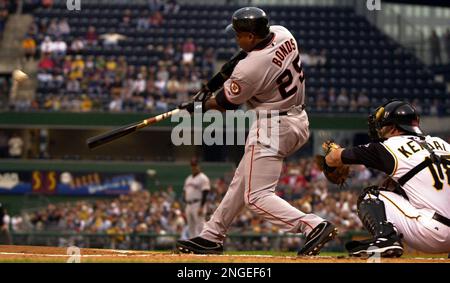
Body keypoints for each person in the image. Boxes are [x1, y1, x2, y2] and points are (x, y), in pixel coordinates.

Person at [176, 7, 337, 255]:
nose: (236, 38)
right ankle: (211, 235)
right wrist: (213, 84)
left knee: (256, 196)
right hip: (298, 119)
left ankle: (312, 225)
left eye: (239, 34)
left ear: (251, 36)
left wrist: (197, 106)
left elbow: (224, 104)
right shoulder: (283, 33)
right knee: (242, 180)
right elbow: (241, 58)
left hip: (273, 126)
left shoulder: (250, 70)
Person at [324, 100, 450, 257]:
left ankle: (385, 239)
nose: (380, 131)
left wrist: (329, 157)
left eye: (382, 126)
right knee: (396, 187)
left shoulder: (389, 145)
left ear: (393, 128)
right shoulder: (440, 143)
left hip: (433, 234)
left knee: (371, 196)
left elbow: (333, 158)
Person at [182, 158, 211, 238]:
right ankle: (193, 247)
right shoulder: (188, 178)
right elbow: (185, 191)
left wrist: (201, 207)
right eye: (192, 165)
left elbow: (205, 193)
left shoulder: (203, 178)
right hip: (189, 204)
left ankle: (204, 245)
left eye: (195, 165)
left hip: (198, 204)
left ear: (199, 166)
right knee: (191, 227)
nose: (194, 167)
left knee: (200, 226)